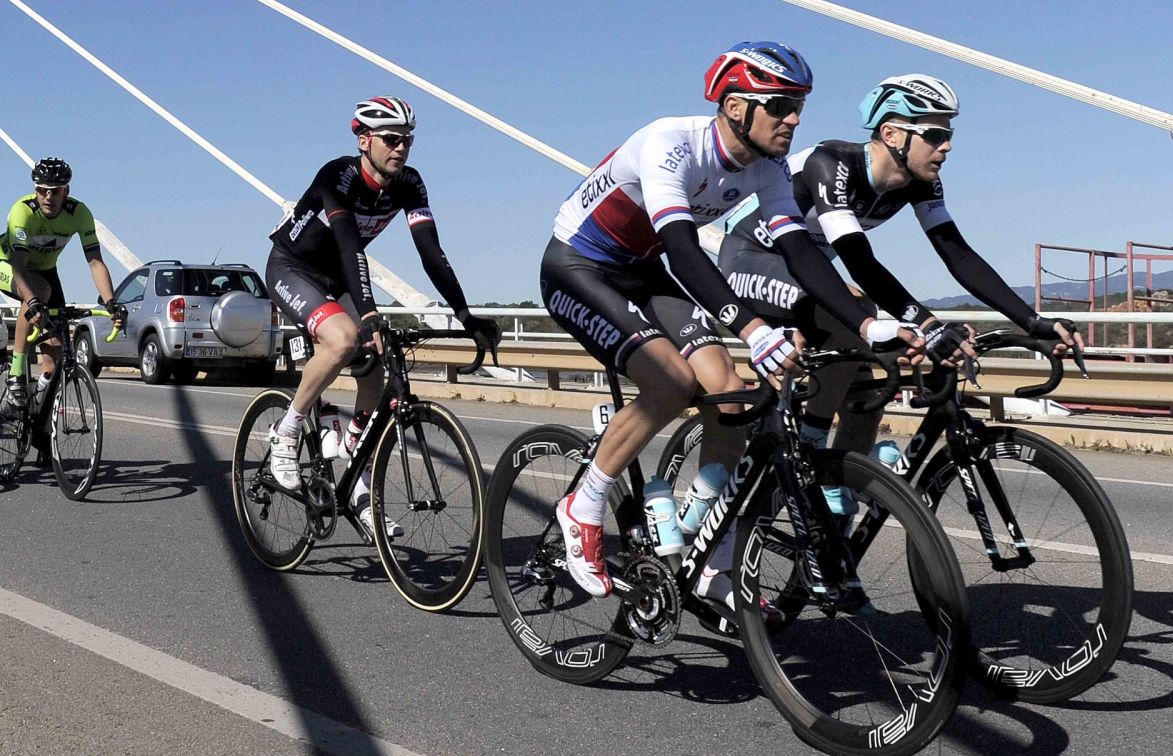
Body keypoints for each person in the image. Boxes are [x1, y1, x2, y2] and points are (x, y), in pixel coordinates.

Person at [543, 42, 922, 601]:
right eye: (781, 106)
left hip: (641, 272)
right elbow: (682, 250)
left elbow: (801, 252)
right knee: (672, 381)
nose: (794, 119)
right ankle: (584, 504)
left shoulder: (768, 168)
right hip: (579, 267)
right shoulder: (671, 143)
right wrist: (753, 330)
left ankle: (712, 557)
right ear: (736, 106)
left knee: (733, 394)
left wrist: (866, 326)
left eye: (799, 106)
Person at [719, 73, 1083, 462]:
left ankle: (841, 488)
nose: (946, 146)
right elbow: (859, 260)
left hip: (811, 273)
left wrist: (1032, 321)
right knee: (856, 313)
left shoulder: (920, 181)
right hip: (748, 258)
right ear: (891, 134)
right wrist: (929, 325)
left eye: (949, 135)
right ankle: (810, 449)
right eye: (934, 135)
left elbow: (958, 255)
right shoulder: (830, 163)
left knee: (869, 395)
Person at [265, 95, 499, 540]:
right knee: (343, 340)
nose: (401, 148)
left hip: (339, 278)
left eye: (407, 140)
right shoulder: (339, 176)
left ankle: (356, 462)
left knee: (376, 360)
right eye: (391, 139)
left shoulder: (409, 183)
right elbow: (350, 247)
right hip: (293, 269)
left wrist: (465, 315)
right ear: (364, 140)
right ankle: (286, 430)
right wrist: (369, 312)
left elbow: (431, 253)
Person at [1, 157, 125, 410]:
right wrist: (33, 301)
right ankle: (16, 374)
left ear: (66, 191)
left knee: (57, 348)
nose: (48, 197)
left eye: (55, 191)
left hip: (46, 270)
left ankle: (40, 406)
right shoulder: (22, 211)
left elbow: (95, 262)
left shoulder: (79, 214)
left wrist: (111, 302)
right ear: (35, 190)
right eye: (42, 190)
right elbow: (20, 264)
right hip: (9, 264)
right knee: (39, 291)